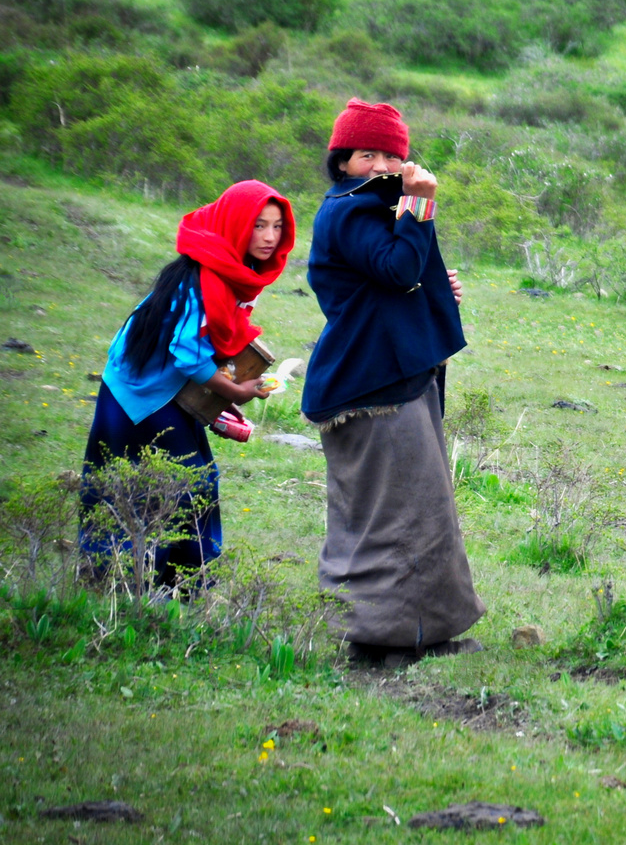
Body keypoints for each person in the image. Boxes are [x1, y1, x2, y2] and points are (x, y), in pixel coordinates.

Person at [302, 99, 484, 665]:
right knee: (396, 513)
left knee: (417, 506)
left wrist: (435, 287)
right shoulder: (352, 210)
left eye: (390, 154)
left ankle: (421, 632)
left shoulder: (377, 207)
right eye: (366, 155)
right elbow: (397, 269)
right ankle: (380, 640)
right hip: (375, 384)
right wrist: (421, 205)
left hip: (391, 376)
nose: (379, 164)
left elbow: (398, 283)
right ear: (342, 161)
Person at [82, 180, 295, 588]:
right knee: (182, 479)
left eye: (277, 227)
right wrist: (233, 391)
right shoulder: (207, 275)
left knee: (169, 477)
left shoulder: (226, 266)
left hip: (159, 386)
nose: (270, 237)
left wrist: (220, 396)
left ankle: (155, 581)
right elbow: (186, 351)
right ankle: (153, 582)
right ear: (235, 225)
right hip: (139, 392)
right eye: (258, 226)